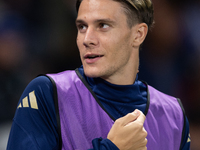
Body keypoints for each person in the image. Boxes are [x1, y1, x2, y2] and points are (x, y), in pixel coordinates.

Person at [7, 0, 191, 149]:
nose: (87, 39)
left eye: (103, 25)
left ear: (138, 34)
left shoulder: (174, 115)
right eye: (82, 27)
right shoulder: (47, 93)